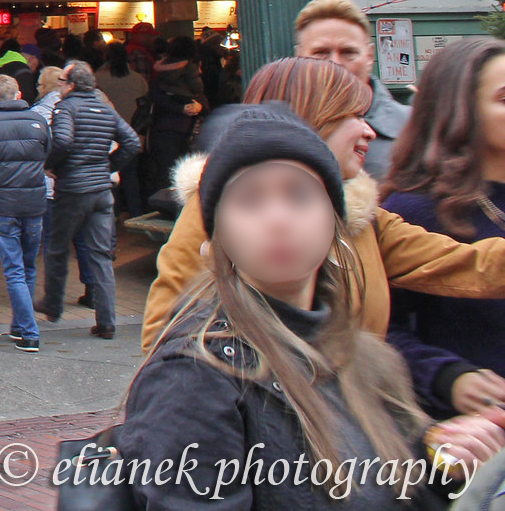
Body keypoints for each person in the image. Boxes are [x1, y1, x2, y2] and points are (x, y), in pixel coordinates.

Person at [118, 108, 505, 509]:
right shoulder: (195, 374)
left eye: (300, 195)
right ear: (216, 240)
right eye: (249, 201)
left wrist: (445, 466)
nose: (278, 219)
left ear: (335, 225)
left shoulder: (366, 358)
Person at [142, 56, 505, 352]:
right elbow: (164, 335)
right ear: (311, 116)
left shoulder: (364, 216)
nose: (370, 132)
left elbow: (471, 266)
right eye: (355, 116)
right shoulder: (217, 210)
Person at [383, 36, 505, 418]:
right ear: (461, 110)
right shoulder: (412, 211)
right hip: (471, 443)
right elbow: (378, 329)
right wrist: (447, 377)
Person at [42, 61, 139, 338]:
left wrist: (51, 166)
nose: (60, 86)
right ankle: (106, 322)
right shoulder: (106, 109)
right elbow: (131, 142)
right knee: (101, 256)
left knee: (58, 248)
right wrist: (106, 167)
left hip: (73, 190)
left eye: (62, 81)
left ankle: (53, 307)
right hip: (101, 192)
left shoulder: (65, 108)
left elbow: (61, 142)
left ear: (71, 85)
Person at [0, 74, 53, 351]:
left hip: (3, 204)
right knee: (28, 266)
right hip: (34, 202)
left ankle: (29, 331)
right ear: (18, 95)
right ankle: (20, 325)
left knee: (14, 269)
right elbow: (47, 156)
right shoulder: (38, 121)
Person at [296, 0, 409, 180]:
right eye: (321, 52)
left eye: (348, 52)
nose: (335, 63)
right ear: (299, 57)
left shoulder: (413, 128)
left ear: (369, 57)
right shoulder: (278, 130)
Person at [145, 37, 207, 202]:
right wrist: (198, 106)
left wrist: (177, 108)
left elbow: (154, 96)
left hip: (164, 128)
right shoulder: (191, 70)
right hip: (188, 128)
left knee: (164, 172)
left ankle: (163, 206)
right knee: (187, 172)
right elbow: (200, 93)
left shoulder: (160, 71)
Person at [97, 42, 151, 218]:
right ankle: (136, 212)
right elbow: (145, 104)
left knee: (110, 175)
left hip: (107, 135)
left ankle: (113, 214)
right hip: (132, 131)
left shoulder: (99, 78)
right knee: (131, 177)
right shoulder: (137, 79)